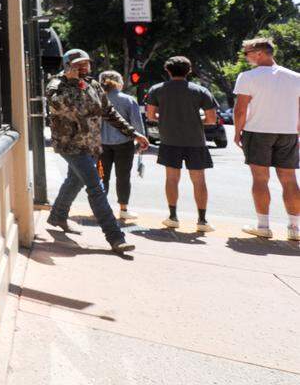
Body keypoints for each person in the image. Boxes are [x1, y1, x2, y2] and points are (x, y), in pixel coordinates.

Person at [46, 49, 149, 254]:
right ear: (67, 65)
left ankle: (57, 216)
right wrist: (73, 82)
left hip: (92, 144)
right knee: (96, 186)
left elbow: (109, 112)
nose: (83, 67)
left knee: (75, 180)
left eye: (86, 64)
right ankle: (115, 237)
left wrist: (134, 133)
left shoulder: (93, 85)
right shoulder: (57, 86)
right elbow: (61, 105)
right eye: (78, 64)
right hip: (71, 145)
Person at [233, 37, 300, 241]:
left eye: (247, 53)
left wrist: (237, 132)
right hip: (288, 132)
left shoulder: (247, 77)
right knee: (289, 180)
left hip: (258, 131)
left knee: (260, 179)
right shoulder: (295, 76)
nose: (246, 58)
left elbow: (240, 108)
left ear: (259, 53)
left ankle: (263, 225)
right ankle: (295, 229)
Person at [145, 56, 219, 233]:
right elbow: (211, 119)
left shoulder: (157, 90)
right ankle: (202, 220)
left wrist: (166, 118)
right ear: (189, 71)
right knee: (199, 180)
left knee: (171, 179)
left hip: (169, 140)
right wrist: (194, 119)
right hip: (195, 142)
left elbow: (150, 116)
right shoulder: (201, 91)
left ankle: (172, 217)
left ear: (168, 71)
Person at [98, 71, 146, 222]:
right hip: (124, 144)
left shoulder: (96, 99)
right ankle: (123, 209)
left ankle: (100, 208)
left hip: (101, 145)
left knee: (101, 176)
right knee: (123, 177)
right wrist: (141, 141)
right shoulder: (128, 100)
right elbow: (136, 124)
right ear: (120, 82)